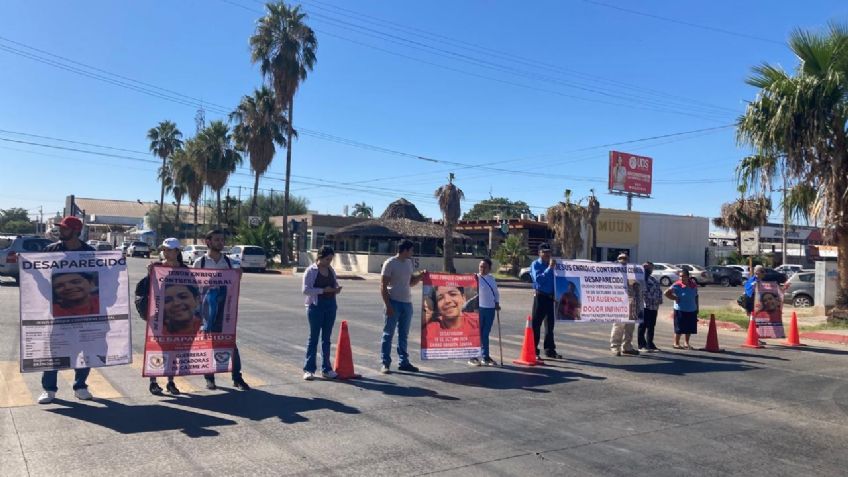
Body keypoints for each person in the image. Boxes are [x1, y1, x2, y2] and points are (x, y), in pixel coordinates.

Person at [38, 216, 95, 404]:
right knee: (55, 350)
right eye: (60, 228)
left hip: (85, 313)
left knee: (85, 350)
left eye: (64, 228)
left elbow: (104, 277)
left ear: (76, 231)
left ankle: (80, 386)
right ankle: (49, 389)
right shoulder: (50, 250)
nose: (60, 231)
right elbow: (39, 276)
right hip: (57, 311)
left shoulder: (89, 253)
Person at [193, 229, 250, 391]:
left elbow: (235, 284)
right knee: (208, 345)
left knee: (230, 343)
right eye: (217, 239)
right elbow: (194, 286)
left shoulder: (230, 263)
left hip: (225, 310)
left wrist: (239, 275)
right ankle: (209, 378)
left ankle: (237, 377)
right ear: (208, 242)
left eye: (222, 240)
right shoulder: (200, 263)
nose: (220, 242)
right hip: (206, 311)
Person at [145, 237, 187, 395]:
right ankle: (153, 381)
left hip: (176, 316)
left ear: (177, 251)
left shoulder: (185, 270)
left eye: (169, 250)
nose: (166, 253)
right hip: (157, 315)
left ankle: (170, 381)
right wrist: (149, 274)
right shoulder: (156, 267)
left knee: (173, 350)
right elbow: (147, 289)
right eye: (164, 250)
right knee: (156, 348)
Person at [379, 239, 426, 374]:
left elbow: (410, 283)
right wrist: (387, 305)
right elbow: (383, 285)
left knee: (403, 335)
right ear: (405, 250)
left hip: (407, 303)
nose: (412, 252)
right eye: (411, 250)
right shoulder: (390, 263)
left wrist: (420, 276)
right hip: (393, 302)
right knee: (388, 334)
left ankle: (403, 362)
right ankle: (385, 363)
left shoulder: (409, 263)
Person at [301, 246, 343, 381]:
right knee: (313, 338)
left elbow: (334, 284)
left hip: (330, 306)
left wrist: (336, 289)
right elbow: (306, 290)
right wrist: (323, 290)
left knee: (326, 339)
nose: (329, 262)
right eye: (327, 259)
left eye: (331, 259)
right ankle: (309, 369)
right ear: (319, 257)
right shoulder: (311, 271)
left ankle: (326, 369)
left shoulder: (331, 270)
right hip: (316, 306)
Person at [530, 243, 562, 359]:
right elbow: (539, 280)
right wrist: (549, 268)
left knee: (550, 326)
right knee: (536, 325)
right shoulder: (536, 264)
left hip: (551, 298)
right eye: (544, 252)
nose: (547, 254)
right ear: (539, 253)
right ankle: (534, 350)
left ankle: (550, 350)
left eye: (549, 252)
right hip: (540, 296)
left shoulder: (554, 264)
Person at [610, 253, 639, 356]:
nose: (623, 260)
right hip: (618, 303)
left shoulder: (632, 272)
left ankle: (627, 347)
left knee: (630, 326)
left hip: (631, 302)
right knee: (618, 326)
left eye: (625, 258)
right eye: (621, 258)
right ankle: (615, 347)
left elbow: (637, 285)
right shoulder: (613, 272)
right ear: (617, 260)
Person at [473, 258, 499, 366]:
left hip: (490, 309)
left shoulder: (491, 278)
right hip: (479, 309)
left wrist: (497, 303)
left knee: (485, 334)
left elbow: (496, 292)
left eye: (485, 267)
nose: (482, 269)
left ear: (489, 268)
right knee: (477, 333)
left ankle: (485, 357)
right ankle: (473, 356)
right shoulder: (475, 278)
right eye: (480, 266)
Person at [665, 268, 699, 349]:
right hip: (680, 309)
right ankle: (676, 343)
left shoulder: (693, 285)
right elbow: (666, 293)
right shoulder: (677, 285)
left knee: (689, 328)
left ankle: (686, 343)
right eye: (680, 276)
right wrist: (675, 298)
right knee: (679, 327)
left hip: (691, 309)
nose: (682, 278)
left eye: (683, 276)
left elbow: (696, 296)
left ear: (688, 276)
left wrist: (697, 307)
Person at [638, 261, 663, 352]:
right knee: (643, 325)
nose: (649, 269)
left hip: (654, 306)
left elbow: (659, 290)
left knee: (651, 326)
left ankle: (650, 344)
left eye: (650, 268)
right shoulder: (640, 279)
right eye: (647, 268)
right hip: (644, 306)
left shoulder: (653, 279)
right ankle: (641, 345)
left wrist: (659, 299)